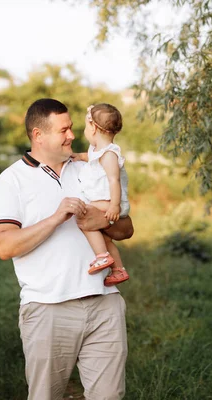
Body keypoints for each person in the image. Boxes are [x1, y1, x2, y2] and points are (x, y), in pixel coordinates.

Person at [0, 98, 134, 400]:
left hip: (104, 304)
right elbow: (4, 246)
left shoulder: (89, 166)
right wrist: (56, 218)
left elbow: (125, 229)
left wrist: (101, 221)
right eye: (63, 130)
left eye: (71, 127)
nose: (72, 135)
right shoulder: (12, 180)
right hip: (48, 309)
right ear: (38, 135)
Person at [72, 103, 130, 286]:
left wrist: (114, 205)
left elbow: (114, 180)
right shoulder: (99, 152)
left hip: (107, 202)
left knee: (84, 218)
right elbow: (93, 159)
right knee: (105, 238)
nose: (84, 131)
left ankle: (101, 256)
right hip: (104, 201)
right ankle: (118, 270)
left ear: (94, 128)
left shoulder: (110, 154)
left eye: (85, 127)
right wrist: (80, 156)